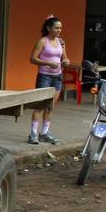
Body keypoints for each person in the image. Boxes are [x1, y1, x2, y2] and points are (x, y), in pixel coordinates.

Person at [28, 15, 69, 144]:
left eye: (60, 28)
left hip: (58, 76)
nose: (59, 30)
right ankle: (33, 134)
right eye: (56, 28)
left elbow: (64, 58)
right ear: (49, 28)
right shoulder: (42, 41)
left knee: (50, 106)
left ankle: (44, 133)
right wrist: (47, 63)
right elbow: (33, 59)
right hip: (44, 76)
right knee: (41, 105)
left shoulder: (61, 42)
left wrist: (66, 62)